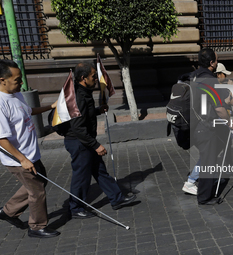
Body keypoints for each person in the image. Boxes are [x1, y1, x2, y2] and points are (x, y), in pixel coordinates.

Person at [64, 62, 136, 219]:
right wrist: (95, 145)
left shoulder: (84, 91)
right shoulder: (79, 96)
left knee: (99, 171)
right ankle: (76, 208)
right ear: (83, 78)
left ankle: (116, 198)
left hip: (85, 140)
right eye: (93, 76)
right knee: (81, 177)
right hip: (79, 142)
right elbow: (77, 128)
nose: (96, 79)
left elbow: (84, 116)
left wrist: (97, 110)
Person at [0, 59, 60, 238]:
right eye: (17, 80)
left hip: (30, 153)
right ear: (2, 80)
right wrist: (23, 159)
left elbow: (28, 111)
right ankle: (37, 227)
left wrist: (50, 107)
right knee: (37, 190)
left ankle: (8, 212)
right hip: (18, 158)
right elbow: (1, 139)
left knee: (39, 182)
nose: (21, 83)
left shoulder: (15, 94)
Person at [190, 48, 232, 205]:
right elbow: (219, 108)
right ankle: (205, 196)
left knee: (209, 157)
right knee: (208, 161)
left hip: (194, 124)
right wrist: (229, 122)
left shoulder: (194, 76)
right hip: (206, 126)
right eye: (216, 59)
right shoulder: (210, 80)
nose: (217, 61)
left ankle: (203, 187)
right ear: (211, 63)